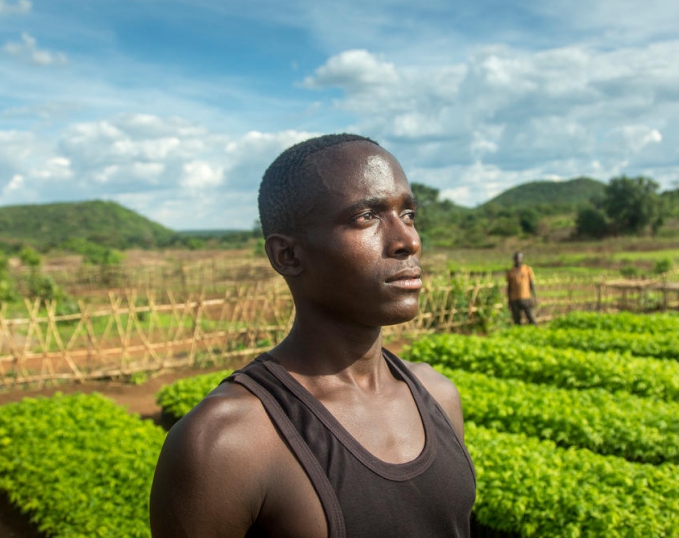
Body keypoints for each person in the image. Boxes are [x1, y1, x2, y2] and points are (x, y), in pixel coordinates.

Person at [150, 134, 476, 538]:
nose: (408, 241)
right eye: (367, 217)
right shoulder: (225, 444)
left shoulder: (438, 396)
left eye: (407, 214)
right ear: (287, 255)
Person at [505, 251, 536, 325]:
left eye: (519, 258)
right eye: (516, 258)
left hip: (525, 297)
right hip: (514, 298)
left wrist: (534, 296)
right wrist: (509, 299)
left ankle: (535, 330)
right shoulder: (511, 272)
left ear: (522, 259)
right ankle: (518, 332)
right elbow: (509, 286)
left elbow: (531, 284)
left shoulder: (527, 269)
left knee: (530, 317)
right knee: (517, 319)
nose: (518, 260)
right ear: (514, 259)